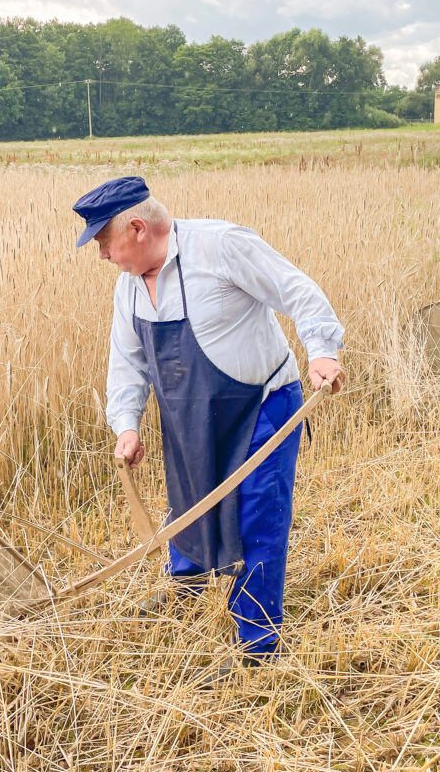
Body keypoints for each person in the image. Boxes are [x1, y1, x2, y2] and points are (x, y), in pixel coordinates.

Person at [73, 176, 344, 672]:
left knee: (258, 516)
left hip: (263, 404)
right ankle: (188, 586)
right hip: (189, 414)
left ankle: (257, 643)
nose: (102, 256)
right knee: (189, 499)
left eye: (103, 243)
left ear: (136, 228)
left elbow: (297, 291)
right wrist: (126, 424)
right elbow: (126, 361)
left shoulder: (220, 247)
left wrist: (322, 352)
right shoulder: (128, 289)